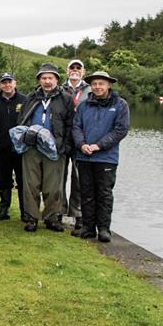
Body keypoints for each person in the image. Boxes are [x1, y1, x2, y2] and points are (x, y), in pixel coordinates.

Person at [72, 71, 130, 242]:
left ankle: (104, 229)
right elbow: (76, 127)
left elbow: (121, 130)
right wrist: (82, 144)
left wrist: (99, 145)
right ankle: (88, 227)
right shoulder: (83, 106)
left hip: (106, 157)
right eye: (95, 84)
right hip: (84, 156)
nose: (97, 87)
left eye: (101, 84)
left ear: (109, 85)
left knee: (104, 194)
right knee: (86, 192)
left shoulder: (120, 105)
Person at [17, 63, 75, 232]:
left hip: (55, 149)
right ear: (39, 80)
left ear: (57, 79)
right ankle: (32, 218)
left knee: (53, 186)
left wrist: (64, 147)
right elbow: (22, 119)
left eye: (50, 78)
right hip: (32, 148)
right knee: (31, 184)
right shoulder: (31, 97)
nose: (47, 81)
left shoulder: (66, 99)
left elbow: (71, 125)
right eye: (44, 78)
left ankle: (52, 218)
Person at [62, 59, 92, 231]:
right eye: (72, 68)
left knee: (79, 179)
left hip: (81, 140)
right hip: (63, 139)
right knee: (59, 177)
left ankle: (78, 214)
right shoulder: (59, 89)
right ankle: (59, 211)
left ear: (83, 71)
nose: (75, 70)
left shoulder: (89, 90)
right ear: (67, 71)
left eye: (78, 68)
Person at [0, 72, 27, 220]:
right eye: (4, 82)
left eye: (9, 82)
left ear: (15, 83)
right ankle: (4, 209)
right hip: (2, 148)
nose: (7, 85)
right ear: (0, 85)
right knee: (3, 179)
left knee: (22, 180)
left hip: (21, 148)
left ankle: (24, 211)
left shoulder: (25, 100)